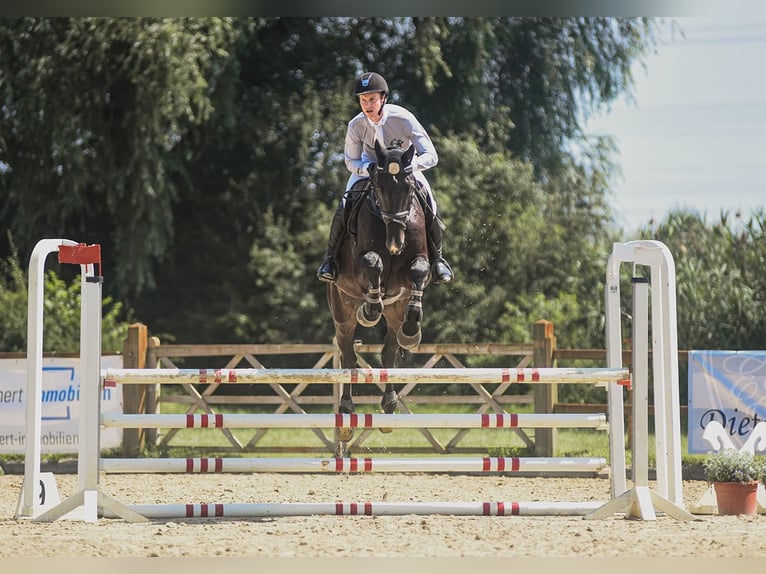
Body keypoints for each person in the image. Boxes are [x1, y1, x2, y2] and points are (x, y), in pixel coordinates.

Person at [316, 71, 454, 285]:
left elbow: (431, 155)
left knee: (429, 202)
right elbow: (350, 161)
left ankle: (438, 260)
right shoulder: (356, 125)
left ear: (383, 99)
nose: (367, 105)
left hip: (407, 170)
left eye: (372, 99)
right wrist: (367, 169)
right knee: (345, 204)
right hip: (371, 170)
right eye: (363, 100)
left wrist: (410, 167)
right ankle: (331, 259)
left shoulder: (403, 118)